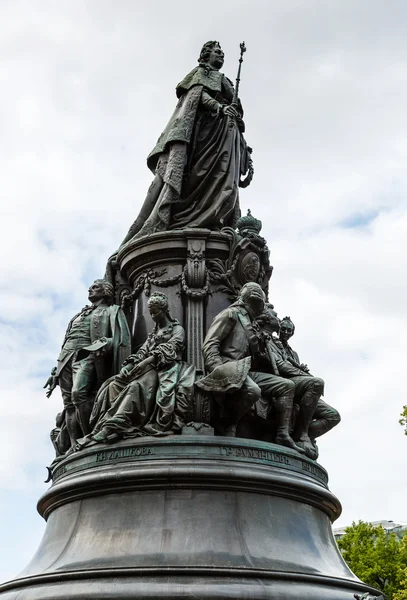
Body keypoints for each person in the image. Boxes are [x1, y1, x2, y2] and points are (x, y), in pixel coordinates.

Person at [117, 40, 252, 247]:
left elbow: (236, 107)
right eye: (217, 51)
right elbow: (199, 96)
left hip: (224, 136)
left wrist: (233, 112)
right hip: (204, 134)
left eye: (223, 52)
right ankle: (190, 215)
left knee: (224, 176)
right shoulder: (200, 73)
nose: (221, 55)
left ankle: (214, 217)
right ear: (206, 55)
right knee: (197, 174)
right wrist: (219, 107)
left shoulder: (224, 80)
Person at [198, 283, 303, 452]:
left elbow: (257, 356)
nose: (259, 307)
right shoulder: (230, 315)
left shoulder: (251, 323)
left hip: (247, 370)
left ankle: (282, 434)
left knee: (287, 386)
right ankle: (229, 423)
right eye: (257, 303)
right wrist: (217, 369)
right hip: (229, 367)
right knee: (253, 391)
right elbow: (210, 344)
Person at [86, 292, 195, 442]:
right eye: (150, 312)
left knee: (136, 387)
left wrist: (146, 362)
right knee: (113, 385)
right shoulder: (153, 334)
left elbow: (172, 348)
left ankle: (110, 426)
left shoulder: (177, 330)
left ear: (165, 311)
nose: (153, 316)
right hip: (145, 368)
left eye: (156, 312)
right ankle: (122, 428)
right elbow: (142, 351)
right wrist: (129, 364)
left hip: (163, 368)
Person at [49, 279, 131, 449]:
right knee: (69, 404)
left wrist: (104, 344)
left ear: (106, 291)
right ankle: (74, 444)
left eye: (95, 287)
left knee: (78, 394)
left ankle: (88, 437)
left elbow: (118, 338)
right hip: (65, 358)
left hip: (87, 355)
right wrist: (55, 370)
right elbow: (67, 340)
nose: (90, 289)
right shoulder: (78, 315)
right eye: (91, 287)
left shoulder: (111, 311)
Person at [276, 316, 341, 457]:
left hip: (303, 386)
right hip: (286, 386)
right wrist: (302, 373)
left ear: (292, 333)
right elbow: (279, 366)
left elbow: (294, 368)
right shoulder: (273, 343)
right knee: (317, 382)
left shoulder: (294, 354)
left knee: (333, 416)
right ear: (278, 329)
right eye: (283, 329)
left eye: (289, 330)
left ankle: (300, 434)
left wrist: (302, 371)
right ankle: (302, 436)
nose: (286, 332)